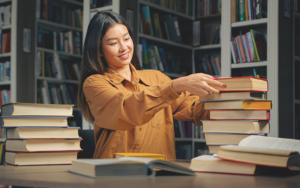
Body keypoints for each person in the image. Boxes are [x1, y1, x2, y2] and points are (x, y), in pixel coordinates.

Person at [77, 11, 225, 159]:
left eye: (126, 39)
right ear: (99, 50)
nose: (124, 48)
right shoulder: (94, 83)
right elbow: (127, 108)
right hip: (114, 173)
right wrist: (176, 86)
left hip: (158, 173)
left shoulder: (157, 78)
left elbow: (193, 109)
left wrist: (235, 104)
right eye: (113, 43)